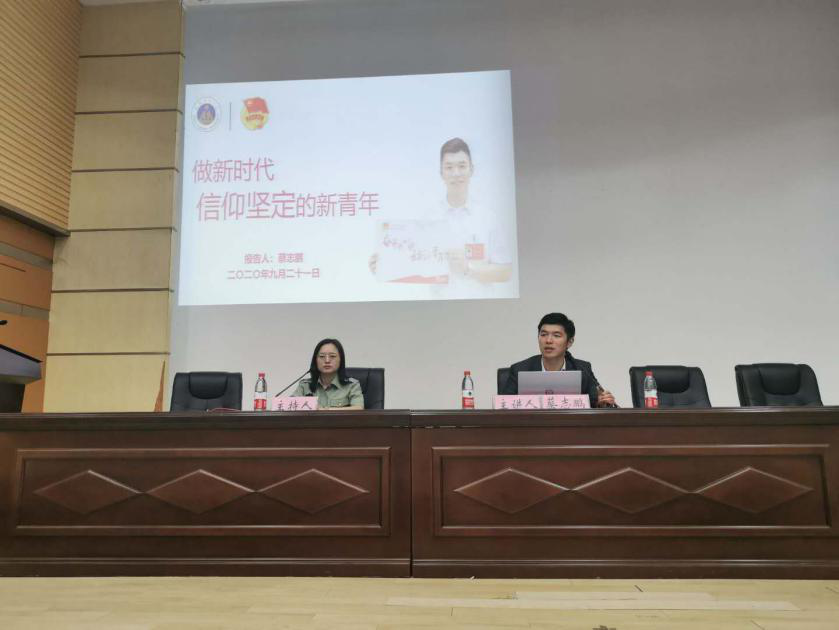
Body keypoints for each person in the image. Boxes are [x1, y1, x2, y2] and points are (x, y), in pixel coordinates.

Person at [501, 312, 616, 408]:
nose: (548, 341)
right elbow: (503, 408)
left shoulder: (582, 369)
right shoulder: (520, 370)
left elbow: (596, 402)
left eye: (556, 335)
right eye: (543, 334)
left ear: (569, 342)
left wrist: (602, 402)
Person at [292, 338, 364, 410]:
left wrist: (326, 410)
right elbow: (290, 406)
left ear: (341, 360)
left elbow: (358, 408)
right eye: (322, 356)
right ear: (315, 360)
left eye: (332, 356)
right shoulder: (305, 386)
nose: (327, 361)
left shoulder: (351, 385)